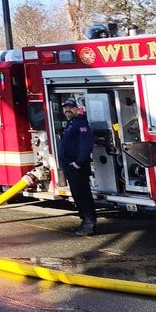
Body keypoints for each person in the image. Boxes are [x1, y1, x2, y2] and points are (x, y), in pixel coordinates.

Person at [58, 99, 97, 236]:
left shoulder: (81, 124)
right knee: (77, 195)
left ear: (77, 109)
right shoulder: (71, 123)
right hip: (70, 166)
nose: (67, 109)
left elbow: (85, 145)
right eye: (65, 107)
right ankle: (84, 222)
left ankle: (89, 224)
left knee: (83, 195)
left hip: (77, 167)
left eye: (71, 107)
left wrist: (78, 163)